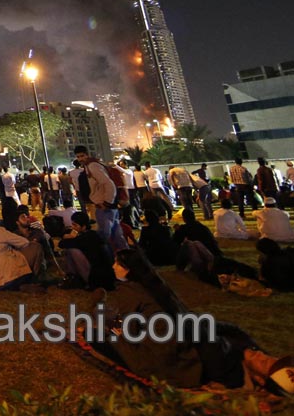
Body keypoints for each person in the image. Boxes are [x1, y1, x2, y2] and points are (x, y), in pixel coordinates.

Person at [103, 249, 294, 394]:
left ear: (128, 270)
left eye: (117, 264)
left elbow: (131, 332)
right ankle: (266, 369)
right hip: (204, 344)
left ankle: (270, 373)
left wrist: (114, 329)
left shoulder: (130, 293)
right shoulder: (155, 286)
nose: (112, 267)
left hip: (187, 357)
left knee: (111, 335)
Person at [76, 146, 127, 252]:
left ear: (87, 154)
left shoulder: (93, 166)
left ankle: (108, 257)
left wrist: (107, 202)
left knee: (104, 235)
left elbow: (109, 184)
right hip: (107, 205)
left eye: (82, 156)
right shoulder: (91, 166)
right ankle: (124, 254)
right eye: (78, 157)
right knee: (116, 234)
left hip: (104, 206)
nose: (80, 159)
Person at [58, 212, 115, 290]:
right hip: (109, 277)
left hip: (96, 279)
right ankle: (74, 276)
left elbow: (61, 244)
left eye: (75, 225)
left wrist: (68, 236)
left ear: (84, 227)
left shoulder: (84, 238)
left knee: (72, 250)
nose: (72, 227)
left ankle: (74, 277)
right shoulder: (94, 234)